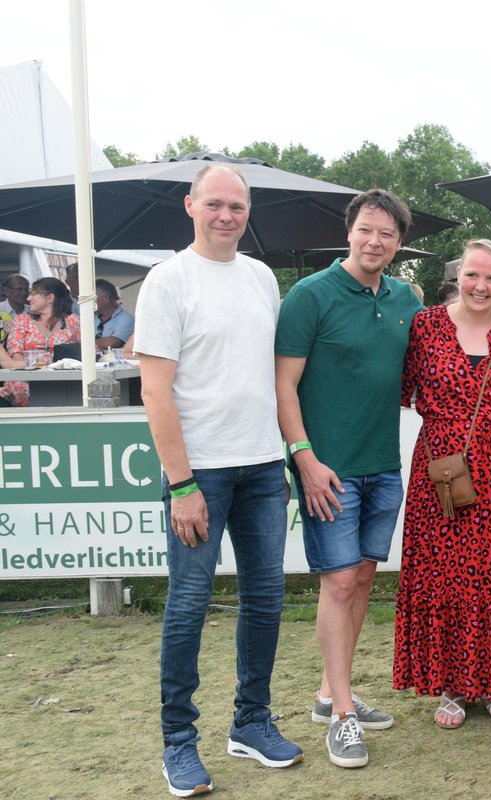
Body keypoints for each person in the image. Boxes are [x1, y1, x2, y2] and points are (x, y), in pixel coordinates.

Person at [135, 164, 302, 797]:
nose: (226, 215)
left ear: (248, 210)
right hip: (198, 471)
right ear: (191, 206)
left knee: (266, 601)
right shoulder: (167, 281)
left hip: (261, 466)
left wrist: (286, 454)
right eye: (215, 204)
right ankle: (178, 742)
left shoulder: (261, 277)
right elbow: (155, 391)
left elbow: (273, 373)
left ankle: (251, 723)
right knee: (188, 605)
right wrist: (180, 484)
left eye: (237, 206)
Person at [275, 189, 418, 768]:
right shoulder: (309, 296)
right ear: (349, 231)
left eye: (386, 234)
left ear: (399, 243)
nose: (375, 241)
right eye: (366, 230)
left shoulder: (407, 297)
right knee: (337, 585)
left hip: (383, 465)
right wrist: (304, 458)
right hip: (326, 470)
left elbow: (453, 331)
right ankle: (342, 717)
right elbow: (284, 387)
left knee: (361, 579)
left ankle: (330, 691)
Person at [394, 239, 491, 729]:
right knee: (445, 575)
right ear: (458, 275)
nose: (481, 286)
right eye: (473, 275)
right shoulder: (425, 325)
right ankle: (454, 685)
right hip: (440, 470)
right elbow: (396, 388)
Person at [0, 277, 80, 407]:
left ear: (50, 298)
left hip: (62, 382)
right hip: (25, 384)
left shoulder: (73, 321)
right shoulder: (22, 321)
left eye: (34, 293)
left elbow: (83, 355)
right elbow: (13, 361)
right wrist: (44, 363)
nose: (28, 298)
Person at [94, 278, 135, 350]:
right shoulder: (94, 317)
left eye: (94, 298)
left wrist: (86, 343)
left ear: (105, 299)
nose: (91, 302)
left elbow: (111, 343)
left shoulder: (126, 319)